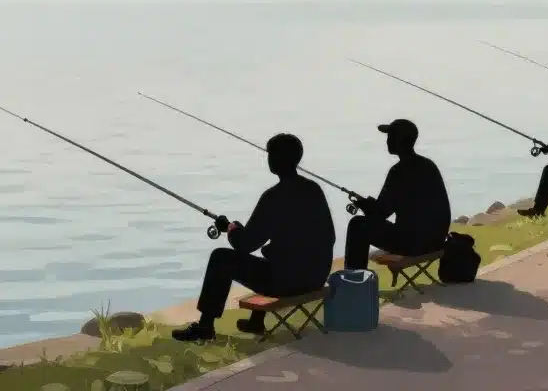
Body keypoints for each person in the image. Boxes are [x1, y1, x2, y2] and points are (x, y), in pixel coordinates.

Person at [172, 133, 335, 342]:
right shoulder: (313, 189)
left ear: (274, 160)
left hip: (288, 283)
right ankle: (256, 322)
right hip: (316, 277)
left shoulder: (273, 197)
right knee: (273, 257)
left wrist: (230, 229)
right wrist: (240, 231)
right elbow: (329, 236)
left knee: (221, 258)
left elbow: (245, 244)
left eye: (270, 155)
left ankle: (205, 327)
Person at [343, 119, 451, 271]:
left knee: (358, 226)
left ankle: (354, 278)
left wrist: (365, 205)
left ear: (398, 141)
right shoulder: (428, 165)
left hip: (413, 243)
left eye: (390, 137)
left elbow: (381, 213)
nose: (387, 141)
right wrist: (371, 206)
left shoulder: (398, 172)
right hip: (436, 240)